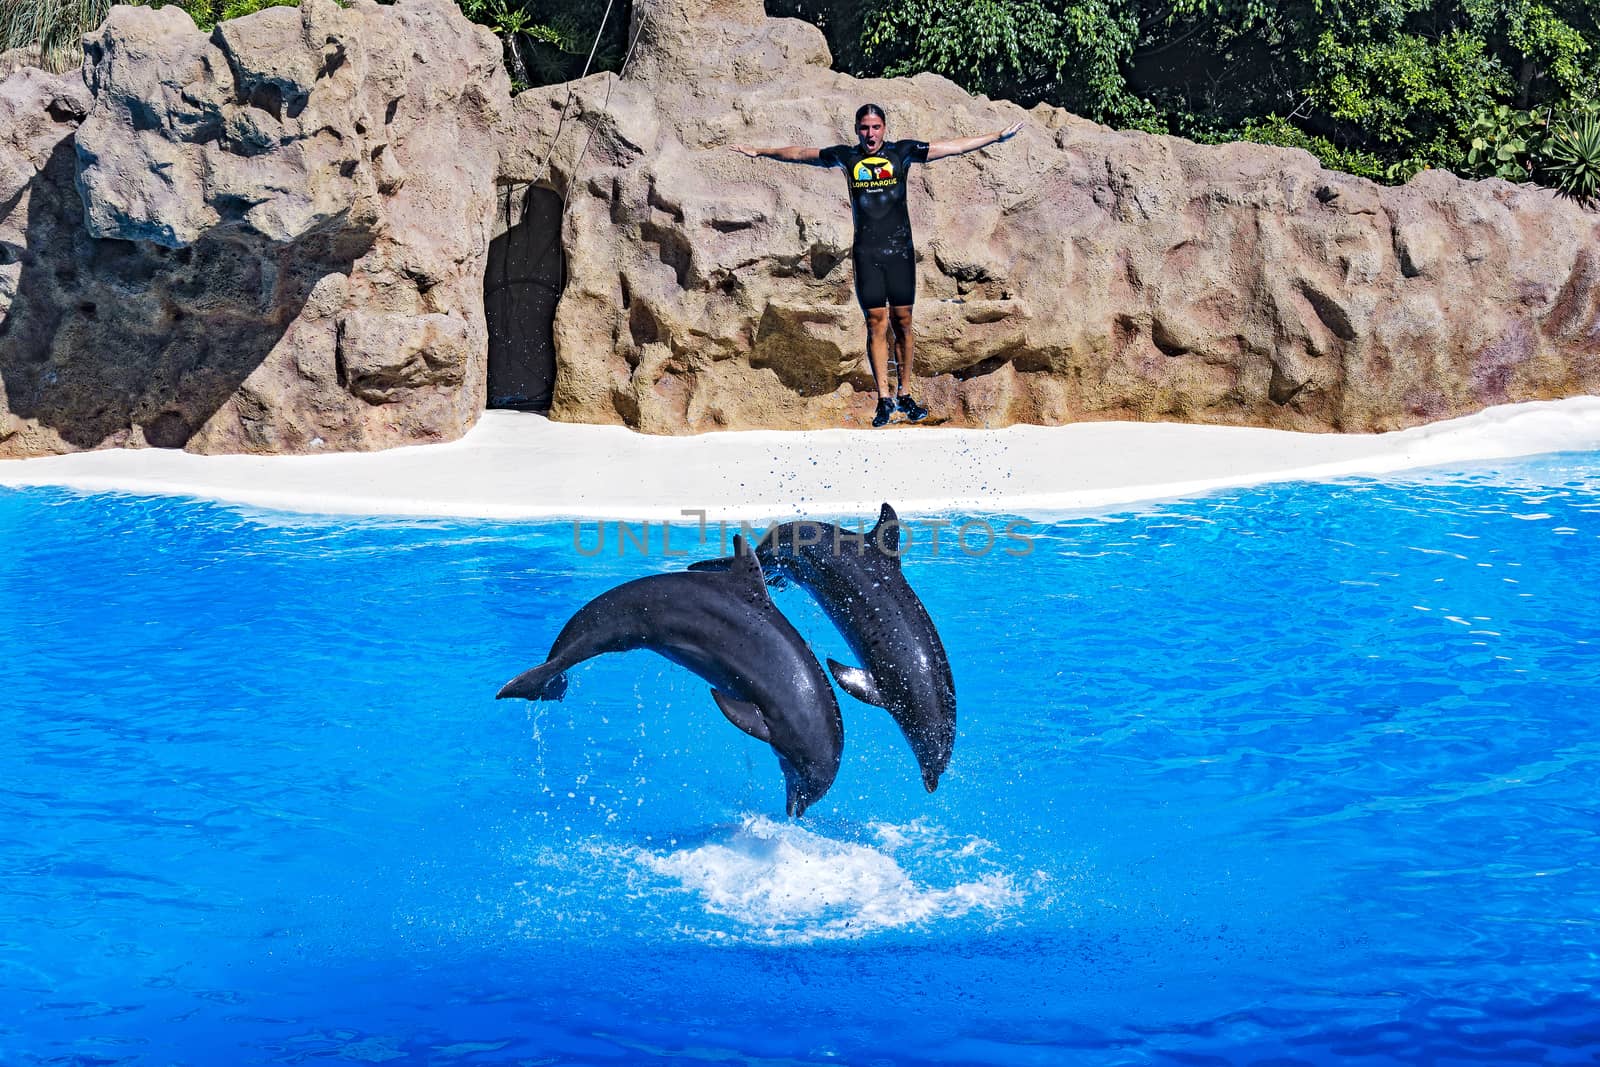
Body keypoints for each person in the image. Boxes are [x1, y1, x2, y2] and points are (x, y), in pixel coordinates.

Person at [730, 105, 1024, 426]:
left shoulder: (903, 153)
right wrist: (761, 151)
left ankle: (906, 394)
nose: (870, 134)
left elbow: (949, 147)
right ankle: (884, 399)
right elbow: (801, 152)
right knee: (875, 322)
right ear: (857, 130)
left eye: (875, 127)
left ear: (884, 128)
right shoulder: (846, 157)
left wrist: (995, 137)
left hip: (900, 252)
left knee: (904, 321)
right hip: (867, 254)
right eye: (864, 128)